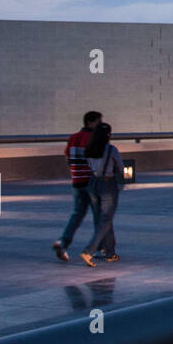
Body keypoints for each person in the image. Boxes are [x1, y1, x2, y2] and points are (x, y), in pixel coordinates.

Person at [53, 111, 101, 262]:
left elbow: (68, 158)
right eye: (99, 122)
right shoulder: (94, 138)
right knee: (99, 216)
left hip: (77, 181)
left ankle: (63, 242)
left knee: (77, 215)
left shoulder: (73, 138)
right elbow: (98, 161)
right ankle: (97, 248)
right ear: (91, 122)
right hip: (91, 182)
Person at [80, 123, 125, 266]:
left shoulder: (89, 149)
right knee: (106, 219)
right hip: (107, 184)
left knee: (102, 218)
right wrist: (120, 184)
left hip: (92, 184)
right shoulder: (111, 150)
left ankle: (109, 252)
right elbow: (121, 168)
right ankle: (89, 251)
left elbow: (88, 165)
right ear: (108, 135)